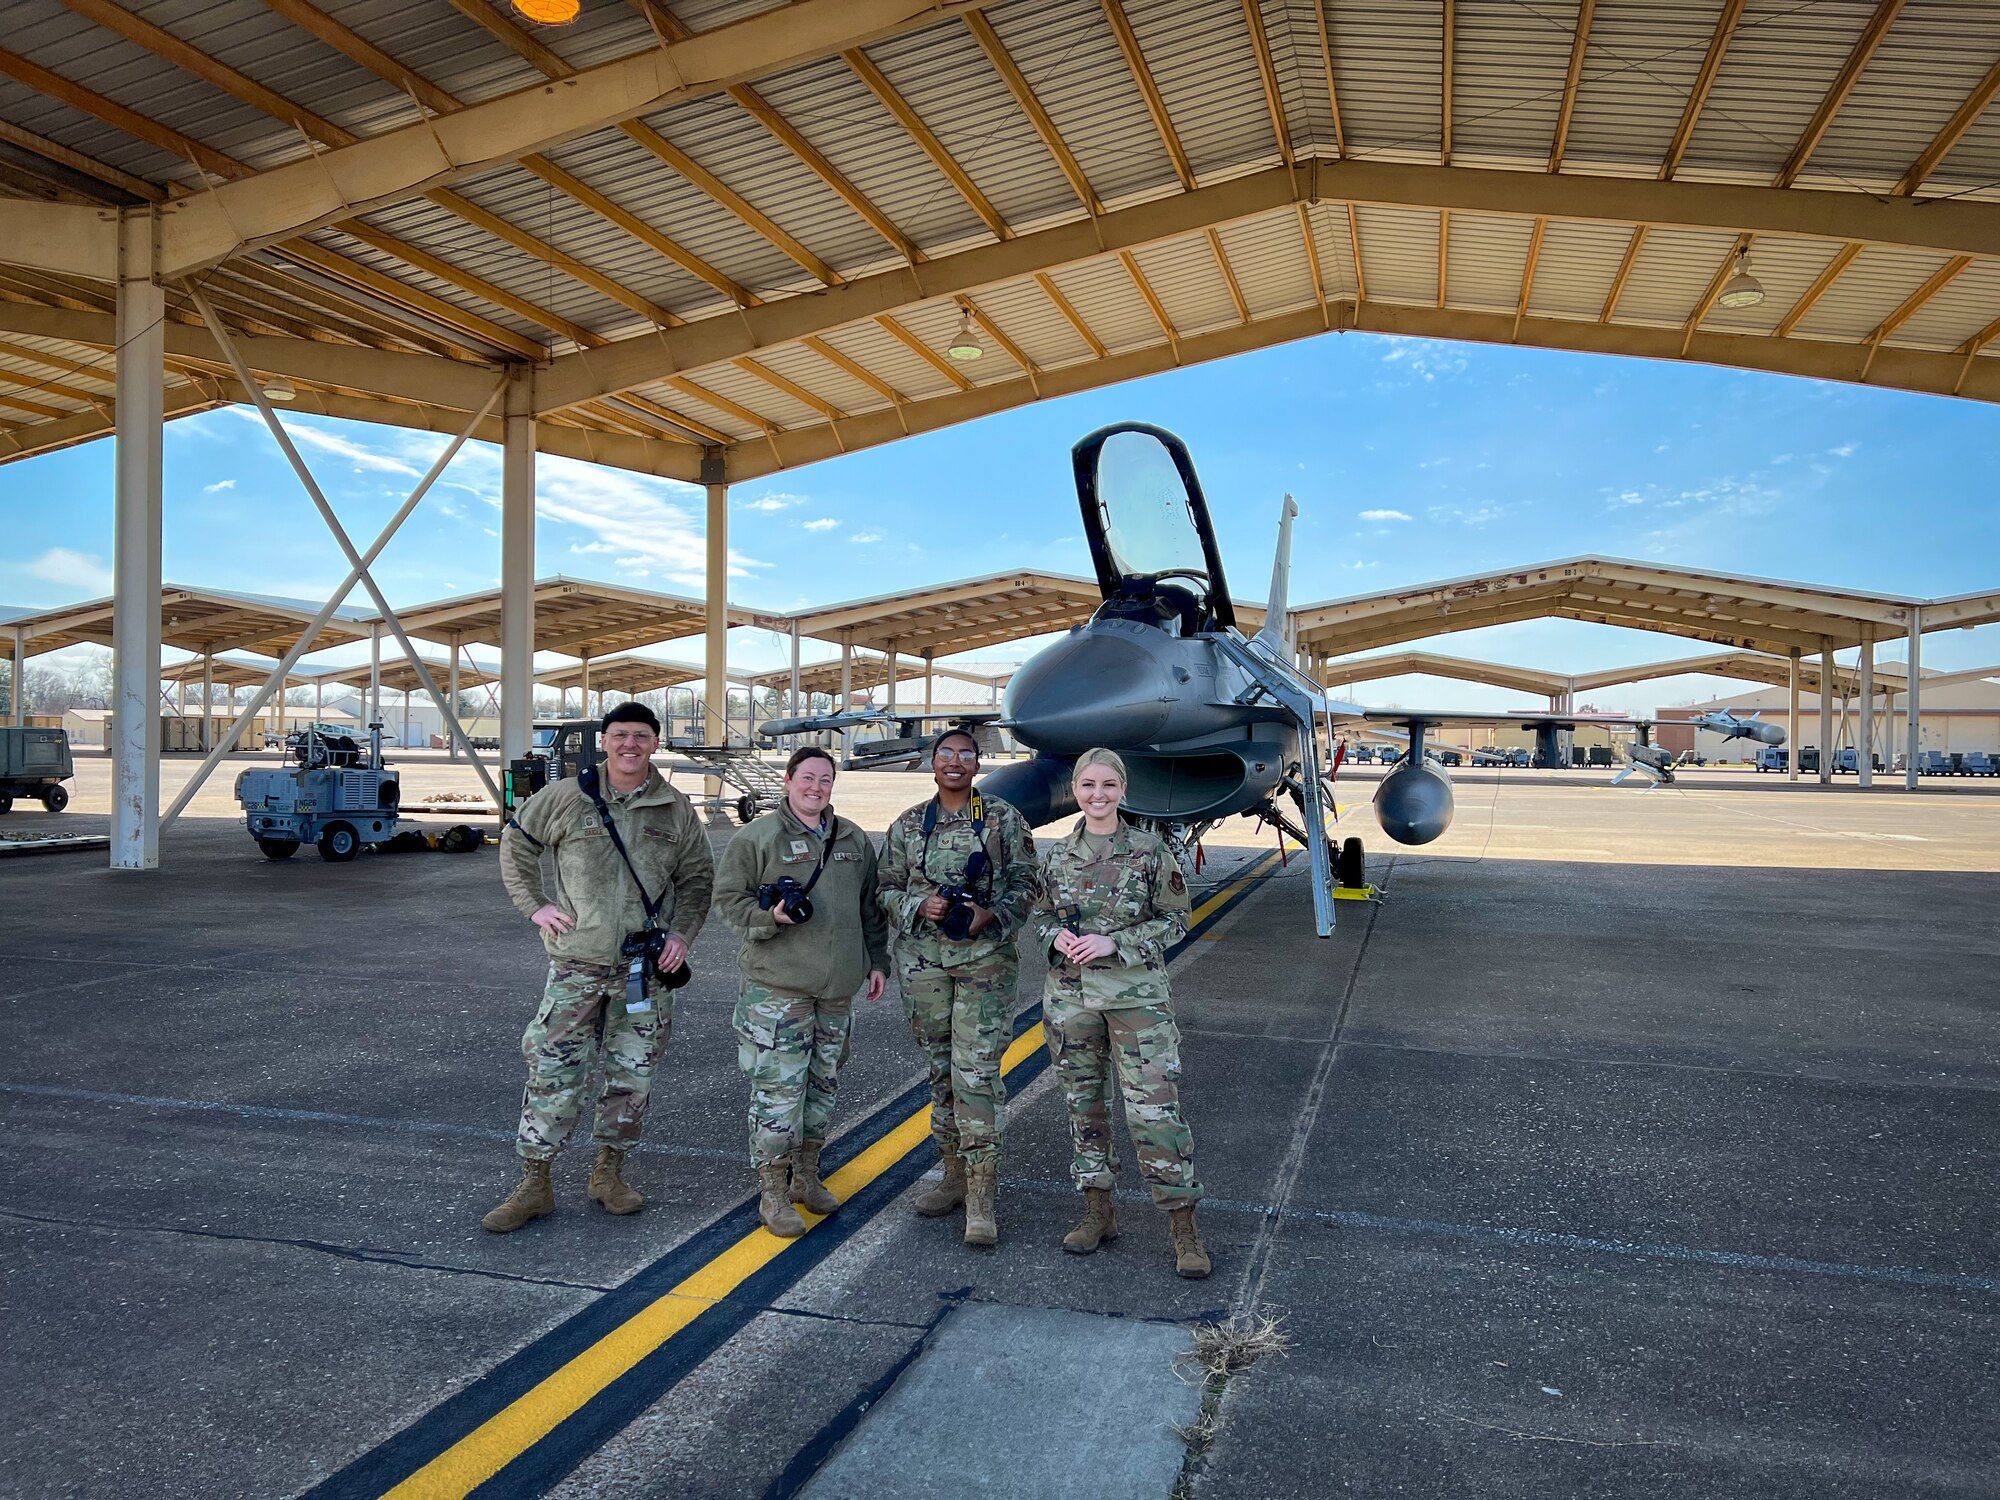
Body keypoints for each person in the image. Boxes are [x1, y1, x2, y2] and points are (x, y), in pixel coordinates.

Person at [487, 702, 713, 1233]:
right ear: (605, 741)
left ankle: (608, 1173)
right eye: (619, 735)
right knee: (553, 1072)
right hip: (577, 966)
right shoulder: (567, 797)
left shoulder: (675, 808)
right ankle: (535, 1182)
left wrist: (681, 933)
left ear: (655, 743)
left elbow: (699, 879)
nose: (629, 744)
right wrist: (535, 904)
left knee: (631, 1076)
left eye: (640, 736)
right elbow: (517, 840)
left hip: (644, 969)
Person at [1033, 747, 1209, 1277]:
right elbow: (1039, 915)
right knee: (1084, 1109)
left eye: (1108, 785)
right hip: (1070, 1000)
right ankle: (1098, 1212)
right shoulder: (1057, 854)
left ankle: (1183, 1226)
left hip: (1137, 1001)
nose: (1098, 795)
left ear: (1123, 790)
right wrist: (1054, 935)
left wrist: (1117, 944)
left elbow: (1177, 920)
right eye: (1088, 785)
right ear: (1076, 791)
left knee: (1154, 1113)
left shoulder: (1150, 850)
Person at [714, 746, 889, 1238]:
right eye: (807, 778)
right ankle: (771, 1193)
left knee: (822, 1087)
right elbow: (728, 900)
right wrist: (769, 919)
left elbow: (871, 908)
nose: (816, 787)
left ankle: (806, 1177)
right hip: (778, 989)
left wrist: (878, 961)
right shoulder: (758, 837)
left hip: (836, 990)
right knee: (778, 1094)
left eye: (826, 780)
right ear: (788, 780)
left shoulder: (852, 838)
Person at [877, 728, 1039, 1247]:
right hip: (922, 963)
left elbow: (1027, 881)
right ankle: (951, 1176)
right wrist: (917, 907)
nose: (954, 761)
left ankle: (982, 1195)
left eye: (965, 754)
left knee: (976, 1074)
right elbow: (885, 886)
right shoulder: (907, 825)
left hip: (984, 962)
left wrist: (991, 915)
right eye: (945, 753)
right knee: (940, 1070)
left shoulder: (1002, 818)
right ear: (932, 762)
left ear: (977, 763)